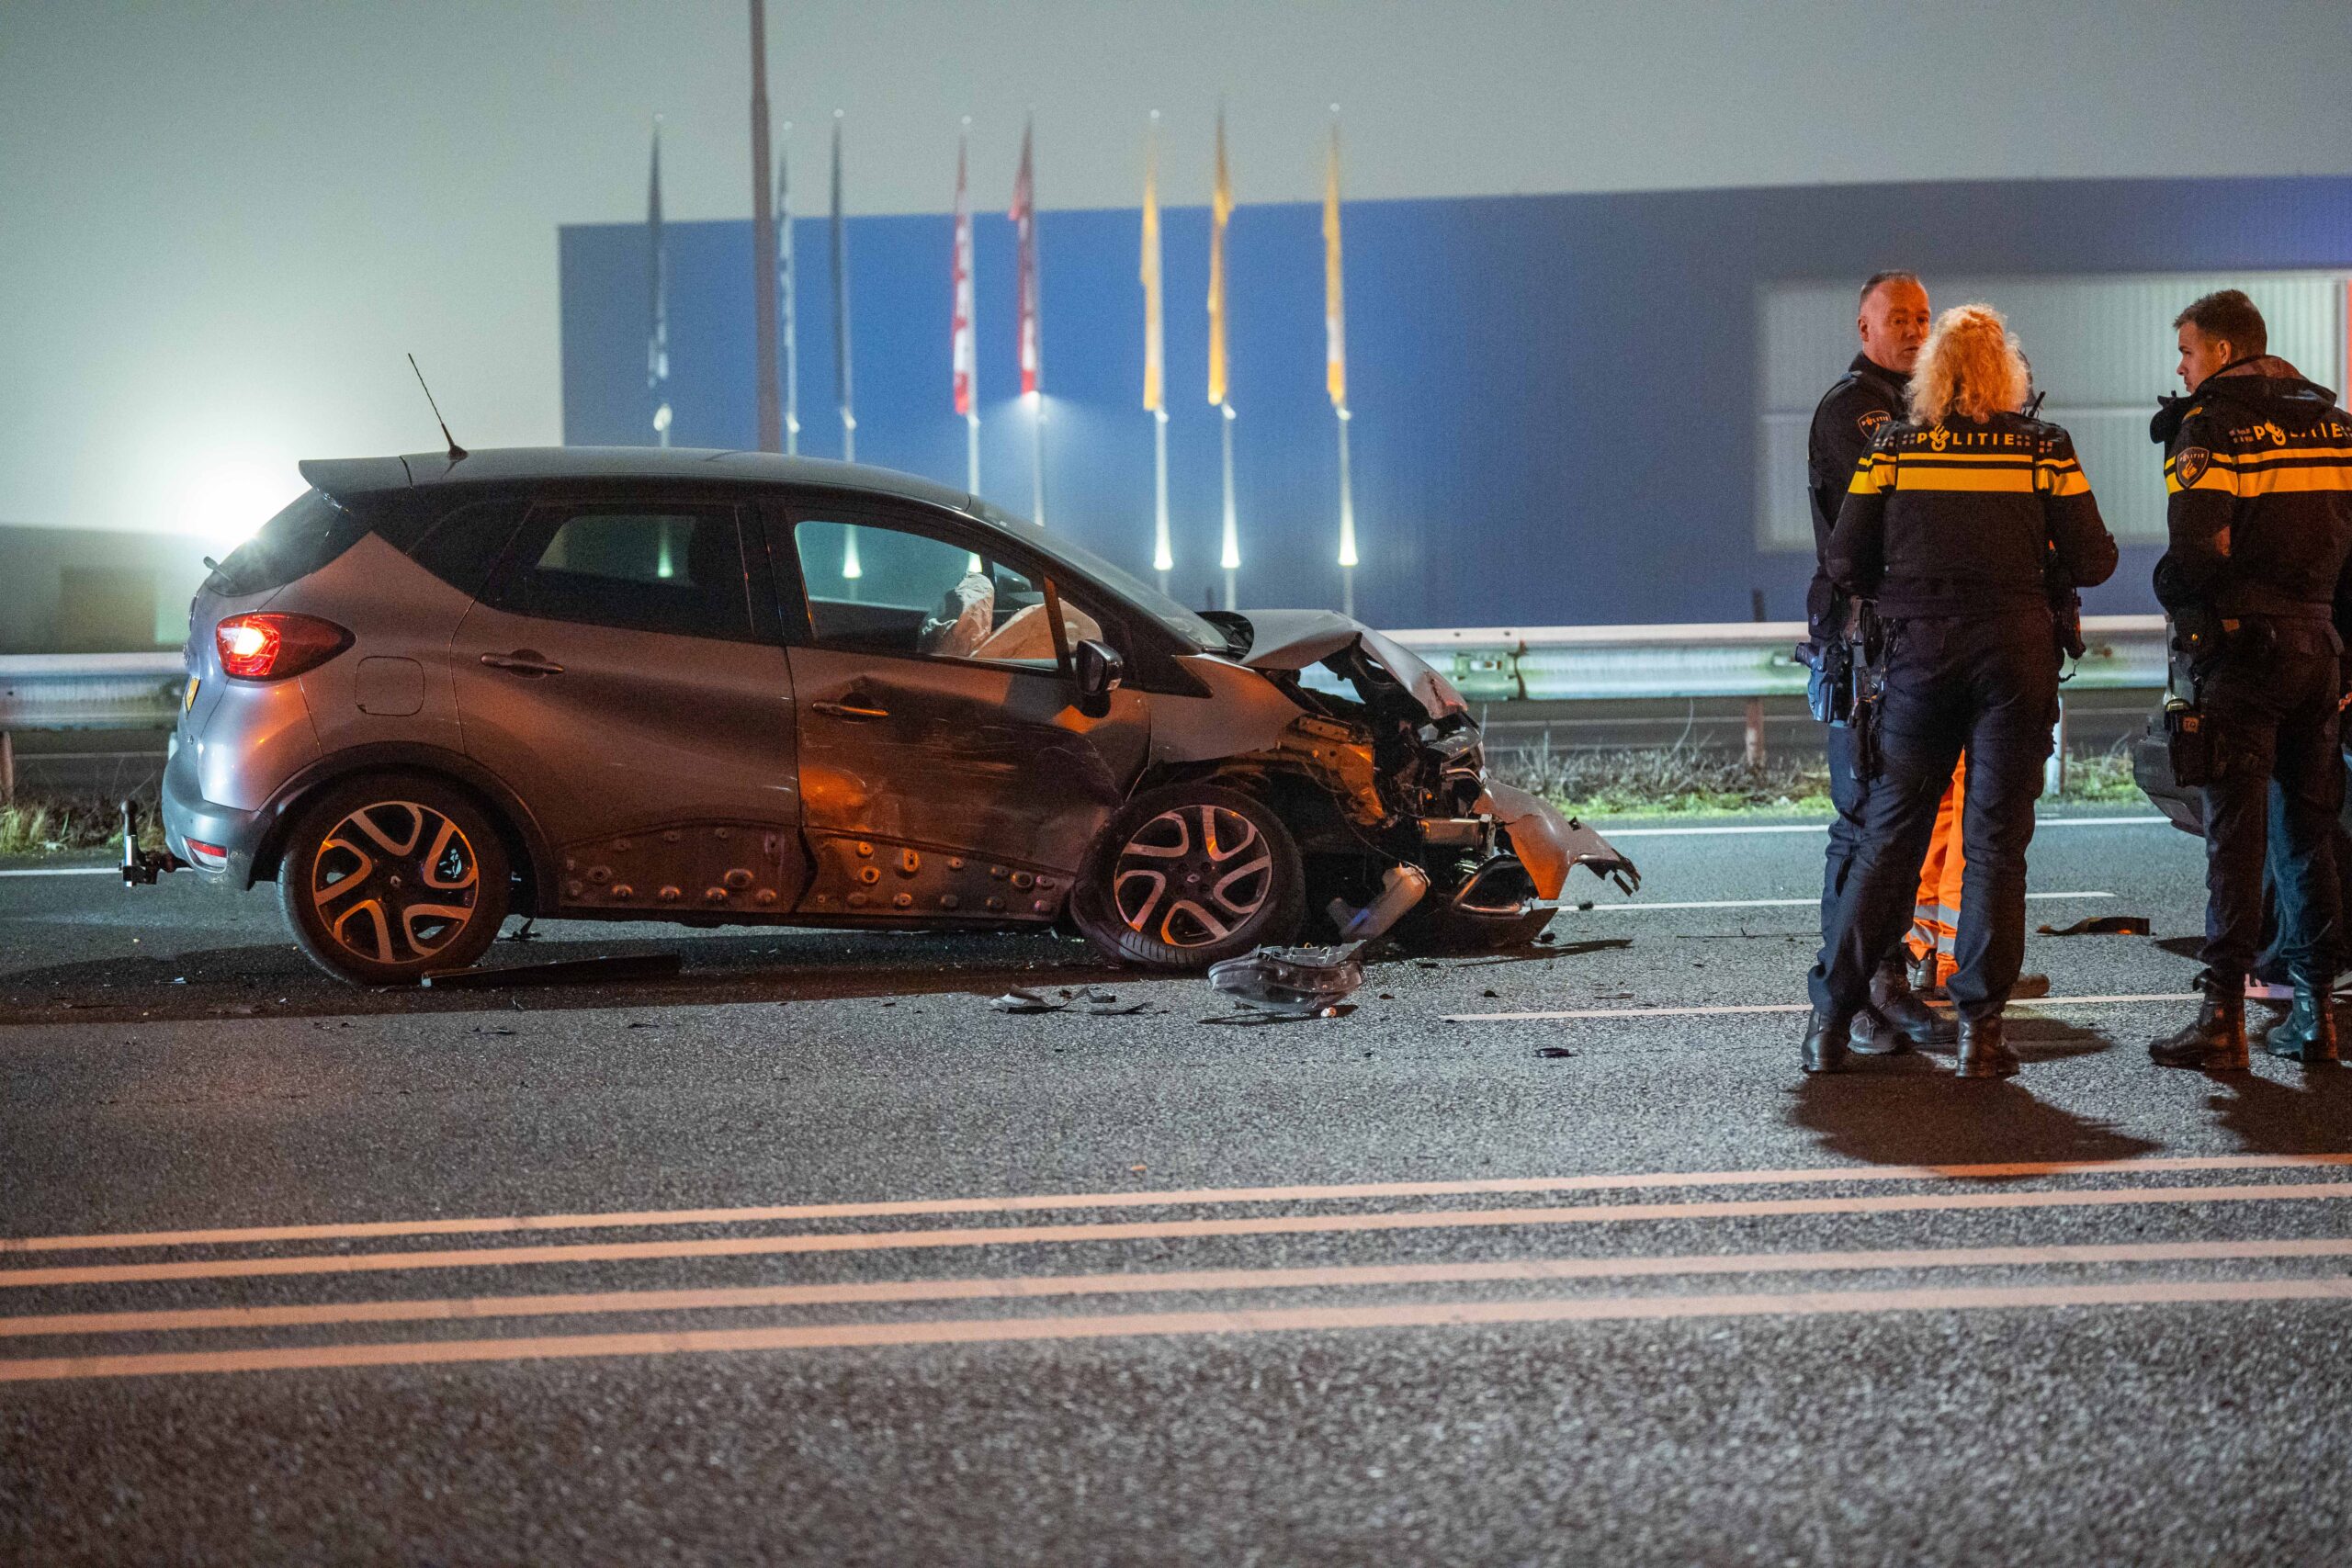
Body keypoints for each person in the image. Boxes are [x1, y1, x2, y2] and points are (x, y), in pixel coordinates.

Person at [1804, 304, 2118, 1077]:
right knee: (1995, 847)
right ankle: (1980, 1032)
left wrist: (1914, 590)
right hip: (2014, 656)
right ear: (2006, 374)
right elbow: (2097, 558)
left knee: (1887, 837)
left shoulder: (1893, 446)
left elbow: (1845, 561)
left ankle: (1830, 1024)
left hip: (1917, 658)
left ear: (1932, 375)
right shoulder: (2044, 449)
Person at [2146, 289, 2352, 1070]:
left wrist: (2173, 591)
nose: (2182, 366)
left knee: (2236, 840)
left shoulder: (2212, 427)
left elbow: (2197, 550)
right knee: (2309, 836)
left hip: (2242, 655)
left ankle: (2221, 1018)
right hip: (2319, 650)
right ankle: (2314, 1016)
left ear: (2224, 353)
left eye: (2189, 351)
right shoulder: (2338, 427)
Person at [1804, 270, 1951, 1053]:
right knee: (1862, 822)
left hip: (1912, 645)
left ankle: (1884, 979)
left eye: (1924, 316)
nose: (1914, 328)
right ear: (1864, 330)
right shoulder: (1853, 411)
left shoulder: (1920, 411)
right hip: (1866, 650)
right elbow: (1912, 505)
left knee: (1901, 827)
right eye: (1898, 317)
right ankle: (1845, 992)